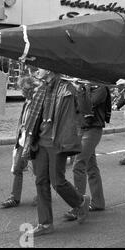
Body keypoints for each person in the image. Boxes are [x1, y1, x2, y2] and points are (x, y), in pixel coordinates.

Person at [22, 69, 90, 237]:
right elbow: (32, 115)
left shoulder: (69, 88)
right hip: (40, 141)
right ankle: (45, 224)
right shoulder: (40, 89)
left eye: (40, 67)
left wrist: (82, 90)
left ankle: (80, 202)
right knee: (41, 181)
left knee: (57, 181)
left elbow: (85, 109)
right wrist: (29, 140)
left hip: (58, 141)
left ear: (50, 69)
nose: (37, 70)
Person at [63, 82, 111, 221]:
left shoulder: (100, 88)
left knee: (78, 164)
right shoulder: (83, 87)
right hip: (82, 127)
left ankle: (79, 205)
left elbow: (87, 105)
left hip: (93, 129)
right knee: (91, 166)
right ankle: (98, 202)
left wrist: (80, 89)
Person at [1, 76, 38, 208]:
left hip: (33, 141)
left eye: (24, 88)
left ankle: (42, 195)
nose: (22, 91)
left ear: (32, 88)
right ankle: (14, 197)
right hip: (23, 140)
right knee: (17, 168)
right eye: (22, 88)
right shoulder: (27, 101)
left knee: (38, 171)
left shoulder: (38, 102)